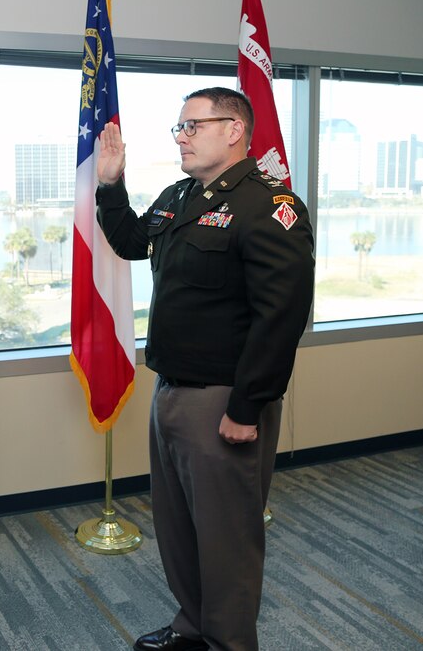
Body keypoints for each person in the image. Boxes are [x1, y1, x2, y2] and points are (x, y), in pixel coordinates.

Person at [95, 87, 314, 651]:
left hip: (223, 400)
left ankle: (230, 643)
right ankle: (194, 626)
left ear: (235, 130)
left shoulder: (269, 207)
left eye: (193, 126)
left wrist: (247, 408)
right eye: (179, 128)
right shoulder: (181, 194)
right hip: (171, 390)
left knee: (227, 539)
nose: (182, 137)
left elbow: (280, 319)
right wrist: (111, 184)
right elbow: (131, 241)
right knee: (179, 528)